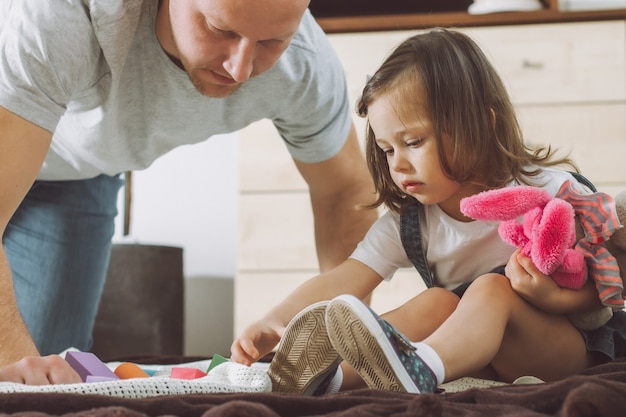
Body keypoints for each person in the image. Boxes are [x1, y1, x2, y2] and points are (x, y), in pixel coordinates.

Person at [231, 28, 626, 395]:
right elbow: (344, 278)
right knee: (436, 302)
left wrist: (552, 297)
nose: (398, 164)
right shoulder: (412, 224)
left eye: (413, 141)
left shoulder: (548, 193)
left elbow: (610, 287)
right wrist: (276, 317)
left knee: (491, 288)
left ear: (480, 126)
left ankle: (422, 368)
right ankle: (331, 379)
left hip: (569, 353)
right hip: (482, 356)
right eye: (387, 149)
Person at [0, 0, 378, 384]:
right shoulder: (61, 13)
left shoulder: (303, 63)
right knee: (17, 374)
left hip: (78, 175)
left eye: (272, 42)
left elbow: (344, 192)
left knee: (54, 374)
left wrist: (346, 343)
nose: (240, 68)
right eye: (220, 30)